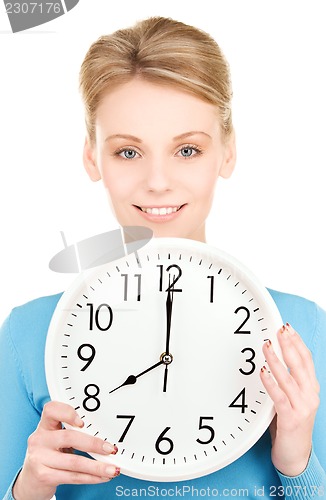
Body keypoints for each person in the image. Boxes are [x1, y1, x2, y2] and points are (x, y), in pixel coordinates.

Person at [0, 15, 325, 500]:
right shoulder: (30, 335)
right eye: (128, 153)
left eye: (187, 150)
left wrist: (297, 463)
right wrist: (29, 489)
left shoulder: (302, 329)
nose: (157, 181)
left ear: (228, 152)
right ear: (92, 157)